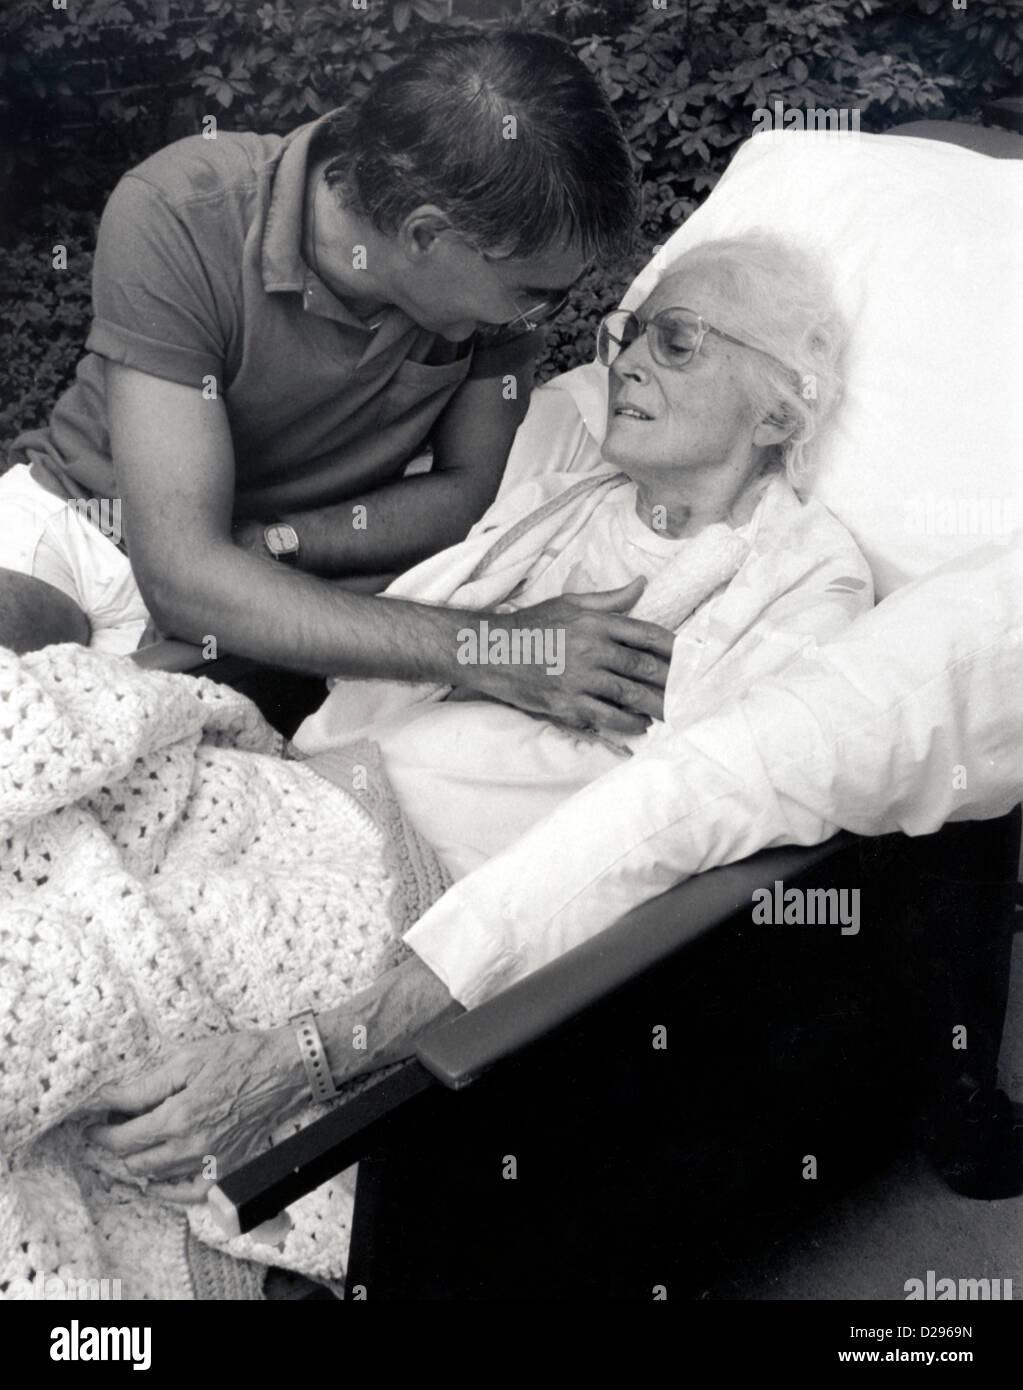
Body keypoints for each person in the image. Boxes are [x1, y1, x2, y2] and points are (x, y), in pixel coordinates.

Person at [81, 232, 878, 1211]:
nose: (622, 359)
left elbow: (675, 819)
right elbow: (408, 649)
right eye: (627, 335)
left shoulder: (802, 580)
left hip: (405, 893)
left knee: (62, 972)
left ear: (778, 401)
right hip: (291, 790)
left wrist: (325, 1045)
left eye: (676, 342)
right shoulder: (559, 498)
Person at [0, 31, 675, 738]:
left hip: (293, 594)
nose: (541, 315)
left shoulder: (486, 281)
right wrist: (497, 648)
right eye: (535, 293)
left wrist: (285, 543)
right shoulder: (181, 210)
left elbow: (466, 489)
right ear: (424, 236)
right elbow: (181, 576)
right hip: (79, 532)